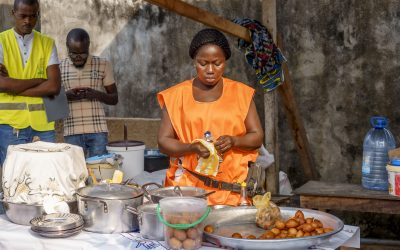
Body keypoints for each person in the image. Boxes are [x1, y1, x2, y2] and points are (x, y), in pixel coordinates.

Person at [157, 28, 264, 205]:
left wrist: (234, 141)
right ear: (194, 62)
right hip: (186, 192)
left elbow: (257, 137)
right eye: (203, 63)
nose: (210, 70)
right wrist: (191, 147)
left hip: (232, 193)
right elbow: (163, 142)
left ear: (226, 62)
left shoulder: (241, 94)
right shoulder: (176, 96)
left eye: (217, 63)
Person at [0, 0, 61, 166]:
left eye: (33, 16)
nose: (28, 20)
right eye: (23, 16)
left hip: (43, 125)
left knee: (45, 174)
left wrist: (14, 87)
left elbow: (54, 87)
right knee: (14, 176)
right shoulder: (1, 41)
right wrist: (39, 81)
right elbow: (2, 85)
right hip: (9, 125)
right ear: (13, 14)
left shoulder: (48, 43)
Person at [60, 28, 118, 158]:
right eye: (74, 53)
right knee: (75, 173)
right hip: (71, 132)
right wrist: (66, 96)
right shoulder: (59, 67)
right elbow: (51, 102)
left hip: (98, 131)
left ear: (88, 47)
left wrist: (96, 94)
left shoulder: (103, 64)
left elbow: (114, 99)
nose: (79, 57)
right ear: (67, 48)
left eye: (83, 53)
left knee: (99, 173)